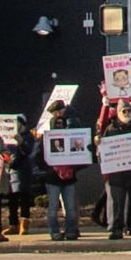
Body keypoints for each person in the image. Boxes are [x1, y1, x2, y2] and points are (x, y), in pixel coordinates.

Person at [100, 100, 131, 239]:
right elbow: (103, 149)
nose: (127, 113)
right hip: (117, 174)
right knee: (117, 203)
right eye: (124, 111)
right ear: (118, 112)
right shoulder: (111, 129)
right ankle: (116, 229)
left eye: (130, 111)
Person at [38, 100, 84, 241]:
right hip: (52, 178)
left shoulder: (72, 135)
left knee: (70, 208)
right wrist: (47, 170)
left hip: (68, 178)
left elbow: (81, 156)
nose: (59, 126)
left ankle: (70, 231)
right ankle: (55, 232)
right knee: (53, 208)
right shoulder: (45, 140)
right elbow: (37, 157)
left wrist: (75, 166)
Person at [7, 115, 37, 236]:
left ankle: (24, 225)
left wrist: (21, 143)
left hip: (23, 172)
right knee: (12, 200)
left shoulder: (28, 136)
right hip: (10, 173)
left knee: (24, 199)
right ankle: (13, 225)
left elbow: (28, 151)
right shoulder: (8, 137)